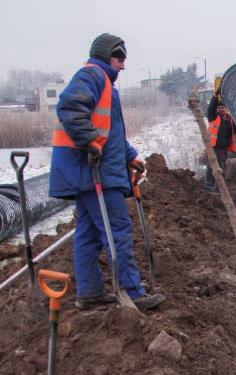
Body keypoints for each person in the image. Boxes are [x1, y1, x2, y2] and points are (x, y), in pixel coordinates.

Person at [49, 33, 165, 310]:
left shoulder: (103, 84)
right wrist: (90, 143)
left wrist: (130, 156)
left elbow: (109, 132)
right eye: (119, 58)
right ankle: (133, 293)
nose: (123, 65)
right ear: (104, 56)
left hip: (93, 171)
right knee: (118, 231)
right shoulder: (93, 75)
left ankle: (89, 291)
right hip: (94, 172)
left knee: (88, 234)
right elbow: (69, 107)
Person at [205, 91, 236, 192]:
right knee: (213, 165)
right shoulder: (213, 117)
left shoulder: (229, 119)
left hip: (223, 148)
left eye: (222, 108)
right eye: (218, 108)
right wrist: (215, 97)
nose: (220, 109)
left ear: (225, 109)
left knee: (221, 167)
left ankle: (218, 187)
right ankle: (209, 185)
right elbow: (211, 108)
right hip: (214, 147)